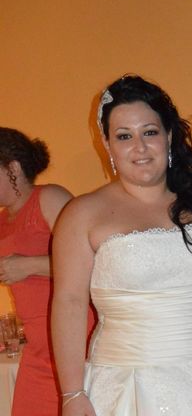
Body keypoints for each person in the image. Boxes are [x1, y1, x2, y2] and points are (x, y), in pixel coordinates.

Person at [51, 75, 192, 415]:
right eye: (124, 136)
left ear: (168, 136)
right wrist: (72, 393)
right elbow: (69, 303)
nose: (139, 147)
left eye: (149, 132)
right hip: (128, 385)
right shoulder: (81, 214)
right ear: (107, 146)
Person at [0, 127, 83, 415]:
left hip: (73, 341)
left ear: (13, 167)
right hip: (37, 348)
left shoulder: (48, 198)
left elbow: (94, 261)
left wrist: (29, 265)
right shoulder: (3, 219)